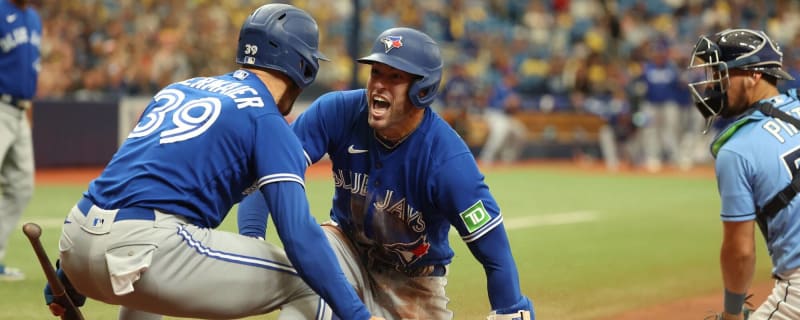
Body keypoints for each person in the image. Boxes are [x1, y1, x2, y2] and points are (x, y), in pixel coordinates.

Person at [45, 4, 383, 320]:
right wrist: (358, 315)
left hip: (76, 242)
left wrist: (69, 274)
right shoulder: (267, 119)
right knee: (313, 277)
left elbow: (124, 178)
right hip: (145, 248)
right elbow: (300, 238)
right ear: (304, 67)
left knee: (145, 276)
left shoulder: (179, 90)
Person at [238, 27, 534, 319]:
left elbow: (494, 251)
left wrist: (510, 309)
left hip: (413, 280)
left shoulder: (448, 161)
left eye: (395, 77)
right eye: (376, 73)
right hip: (345, 248)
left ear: (423, 89)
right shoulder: (337, 111)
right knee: (308, 268)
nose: (379, 85)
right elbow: (270, 172)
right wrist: (253, 241)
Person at [687, 28, 800, 320]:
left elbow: (741, 252)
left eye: (721, 74)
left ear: (754, 75)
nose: (713, 85)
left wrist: (732, 313)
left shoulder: (736, 149)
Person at [0, 0, 40, 281]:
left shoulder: (34, 18)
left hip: (20, 109)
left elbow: (30, 69)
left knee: (21, 186)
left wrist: (29, 109)